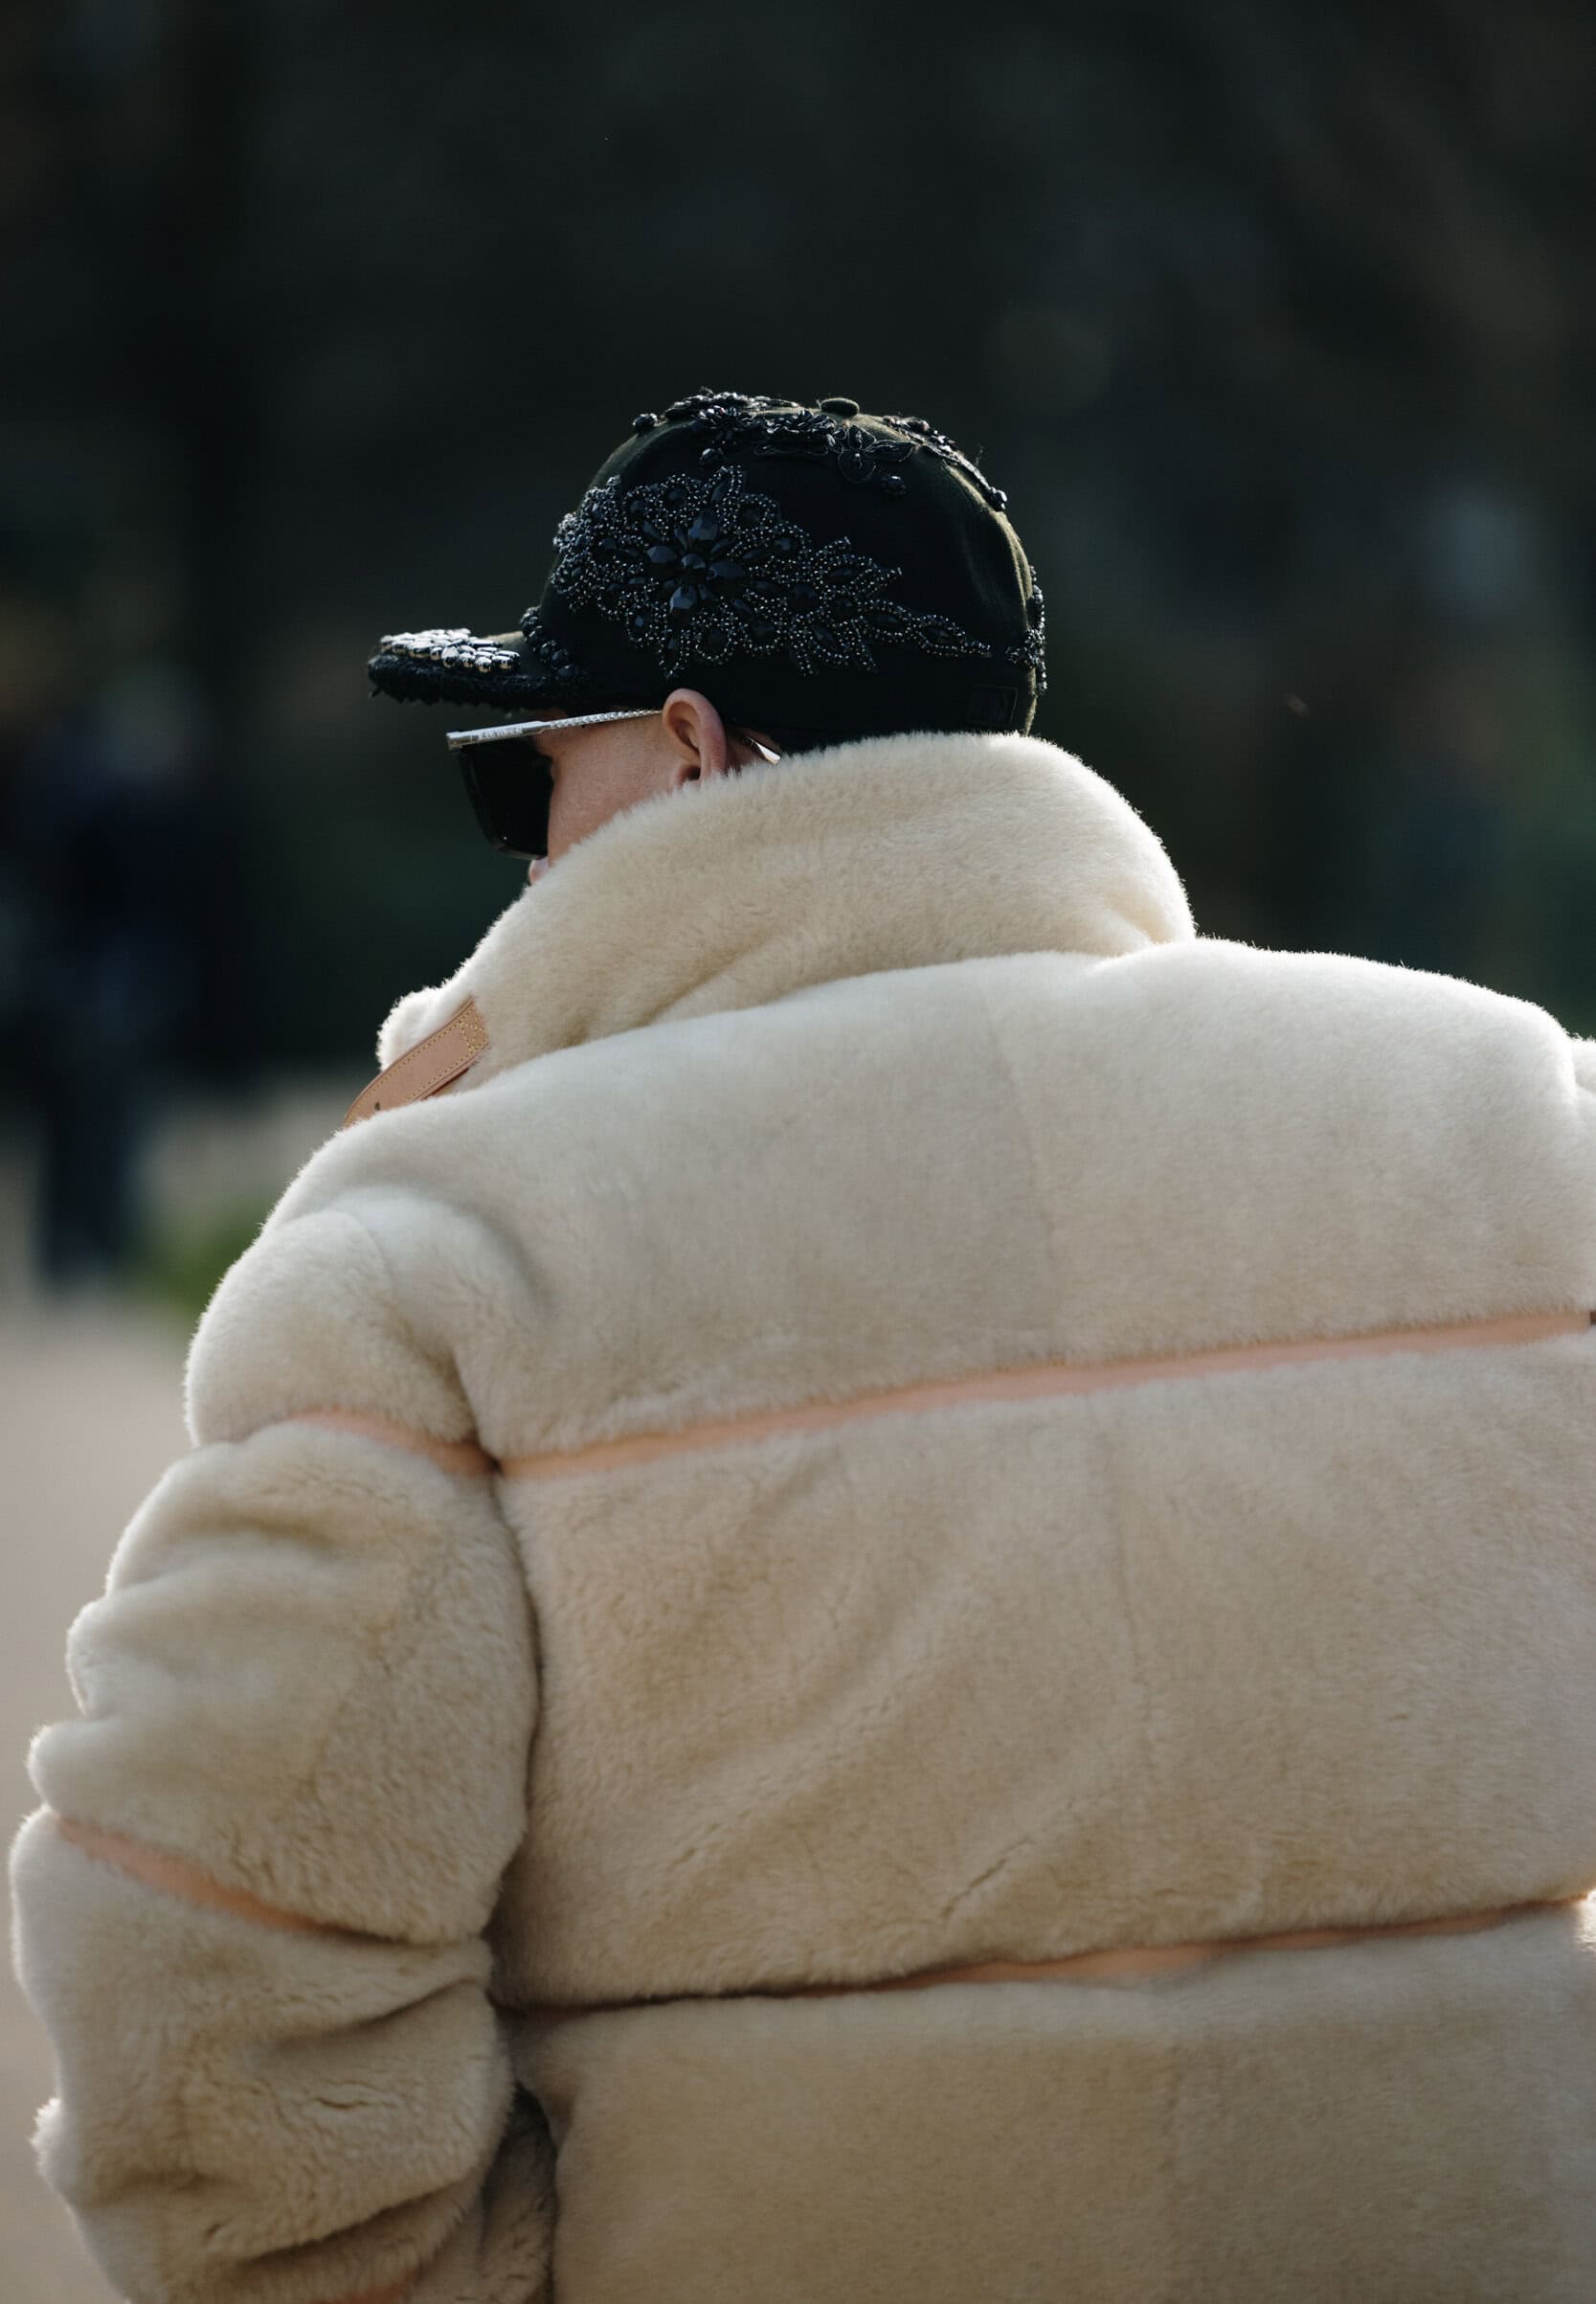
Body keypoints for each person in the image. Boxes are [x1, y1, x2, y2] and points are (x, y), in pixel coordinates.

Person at [11, 390, 1596, 2304]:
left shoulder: (453, 1240)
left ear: (688, 754)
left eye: (525, 775)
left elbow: (204, 1966)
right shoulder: (1515, 1126)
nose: (522, 853)